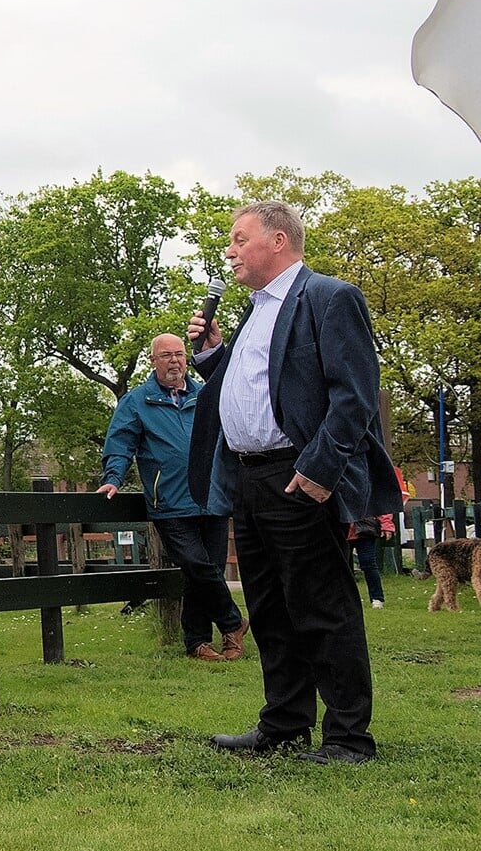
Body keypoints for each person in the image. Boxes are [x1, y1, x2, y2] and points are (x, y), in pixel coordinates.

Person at [189, 200, 401, 765]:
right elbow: (263, 383)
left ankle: (349, 738)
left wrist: (319, 471)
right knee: (271, 607)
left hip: (299, 476)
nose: (228, 251)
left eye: (238, 239)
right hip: (249, 478)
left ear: (278, 241)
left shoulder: (330, 298)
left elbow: (353, 397)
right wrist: (214, 356)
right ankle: (283, 726)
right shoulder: (256, 311)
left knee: (322, 607)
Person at [97, 333, 248, 662]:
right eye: (166, 355)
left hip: (212, 496)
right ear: (153, 361)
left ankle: (198, 643)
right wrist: (113, 479)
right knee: (196, 564)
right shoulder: (138, 402)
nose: (174, 361)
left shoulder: (206, 395)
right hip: (169, 502)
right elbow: (120, 443)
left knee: (204, 572)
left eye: (179, 354)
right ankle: (234, 622)